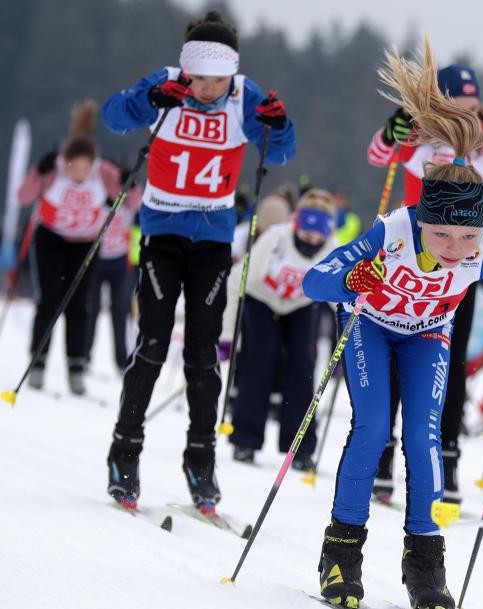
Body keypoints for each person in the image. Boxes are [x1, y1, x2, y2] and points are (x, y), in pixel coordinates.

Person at [302, 36, 483, 609]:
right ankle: (340, 557)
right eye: (441, 235)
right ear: (423, 221)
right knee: (372, 430)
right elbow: (314, 280)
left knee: (422, 437)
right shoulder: (395, 228)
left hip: (427, 333)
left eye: (464, 238)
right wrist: (354, 282)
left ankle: (425, 572)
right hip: (370, 324)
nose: (453, 249)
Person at [101, 10, 296, 511]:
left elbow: (280, 150)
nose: (206, 89)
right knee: (153, 341)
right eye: (199, 79)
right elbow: (114, 116)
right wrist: (147, 101)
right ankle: (125, 451)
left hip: (211, 241)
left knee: (204, 353)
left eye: (216, 80)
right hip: (162, 233)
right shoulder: (166, 84)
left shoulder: (242, 95)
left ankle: (201, 459)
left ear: (231, 74)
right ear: (185, 70)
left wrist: (279, 122)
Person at [367, 58, 483, 506]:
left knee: (449, 365)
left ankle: (446, 459)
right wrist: (390, 132)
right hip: (407, 262)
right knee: (396, 358)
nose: (468, 112)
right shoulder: (418, 131)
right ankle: (382, 456)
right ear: (439, 101)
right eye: (460, 103)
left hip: (460, 265)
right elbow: (377, 155)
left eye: (473, 104)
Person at [16, 100, 140, 395]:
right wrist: (37, 172)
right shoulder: (54, 169)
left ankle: (76, 366)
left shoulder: (104, 172)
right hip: (51, 239)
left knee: (78, 305)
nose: (80, 173)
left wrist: (129, 182)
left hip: (85, 243)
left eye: (85, 167)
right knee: (49, 300)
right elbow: (24, 197)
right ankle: (38, 361)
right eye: (75, 167)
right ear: (66, 160)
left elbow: (134, 204)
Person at [227, 189, 338, 468]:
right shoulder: (277, 237)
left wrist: (347, 338)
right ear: (297, 223)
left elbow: (342, 294)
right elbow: (236, 283)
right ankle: (245, 438)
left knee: (302, 366)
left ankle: (299, 447)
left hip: (299, 306)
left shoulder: (332, 249)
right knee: (260, 359)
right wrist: (227, 336)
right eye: (307, 231)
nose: (312, 240)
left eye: (318, 234)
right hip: (261, 298)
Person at [83, 160, 137, 374]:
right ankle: (84, 355)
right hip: (96, 259)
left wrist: (131, 185)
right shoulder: (98, 192)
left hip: (120, 261)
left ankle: (121, 360)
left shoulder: (128, 196)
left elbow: (137, 203)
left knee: (120, 312)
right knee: (91, 309)